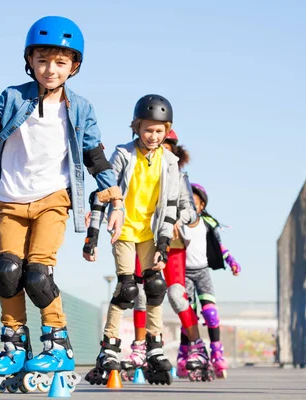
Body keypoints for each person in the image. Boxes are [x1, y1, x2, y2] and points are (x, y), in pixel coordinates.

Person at [0, 16, 124, 393]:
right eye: (42, 60)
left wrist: (114, 197)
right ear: (29, 60)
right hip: (11, 199)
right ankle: (15, 343)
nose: (50, 69)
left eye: (60, 62)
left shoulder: (81, 108)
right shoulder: (14, 97)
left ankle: (58, 343)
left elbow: (94, 155)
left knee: (37, 274)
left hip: (54, 199)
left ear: (74, 66)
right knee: (7, 270)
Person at [84, 94, 179, 385]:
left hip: (150, 233)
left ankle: (154, 346)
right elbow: (105, 189)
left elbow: (171, 204)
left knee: (155, 286)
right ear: (136, 127)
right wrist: (93, 236)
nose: (153, 136)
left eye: (159, 130)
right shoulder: (123, 153)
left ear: (168, 130)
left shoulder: (170, 161)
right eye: (148, 129)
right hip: (124, 230)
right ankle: (109, 346)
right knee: (126, 289)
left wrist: (163, 243)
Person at [120, 130, 214, 382]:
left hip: (172, 243)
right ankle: (140, 346)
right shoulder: (136, 166)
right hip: (143, 238)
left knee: (174, 293)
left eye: (166, 144)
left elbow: (192, 213)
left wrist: (175, 219)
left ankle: (197, 346)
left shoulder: (179, 176)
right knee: (140, 292)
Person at [180, 183, 241, 379]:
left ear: (202, 205)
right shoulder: (178, 222)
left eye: (194, 203)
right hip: (184, 273)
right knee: (188, 315)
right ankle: (185, 353)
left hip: (202, 272)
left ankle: (216, 352)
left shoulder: (207, 223)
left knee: (211, 313)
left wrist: (231, 261)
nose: (190, 207)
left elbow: (219, 246)